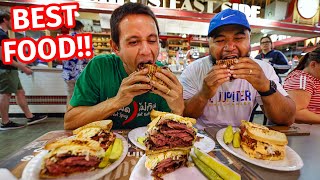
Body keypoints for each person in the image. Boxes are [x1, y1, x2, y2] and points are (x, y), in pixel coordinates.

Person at [64, 3, 184, 130]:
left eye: (152, 40)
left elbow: (172, 132)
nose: (146, 51)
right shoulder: (99, 68)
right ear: (116, 47)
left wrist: (179, 109)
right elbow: (70, 122)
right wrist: (117, 101)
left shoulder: (164, 77)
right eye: (133, 42)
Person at [180, 9, 295, 128]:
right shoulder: (193, 70)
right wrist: (203, 94)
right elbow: (182, 116)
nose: (230, 47)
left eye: (238, 38)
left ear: (249, 41)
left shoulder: (263, 69)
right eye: (220, 40)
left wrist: (265, 87)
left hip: (242, 139)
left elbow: (287, 119)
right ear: (209, 44)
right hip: (202, 140)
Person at [0, 10, 47, 130]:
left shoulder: (4, 35)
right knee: (5, 94)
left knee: (20, 92)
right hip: (6, 70)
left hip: (10, 70)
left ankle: (30, 116)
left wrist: (23, 65)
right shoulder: (1, 35)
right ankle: (5, 122)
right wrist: (23, 68)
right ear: (5, 20)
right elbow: (4, 58)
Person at [283, 47, 320, 123]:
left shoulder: (315, 78)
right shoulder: (302, 80)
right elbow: (296, 112)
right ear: (313, 64)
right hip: (306, 131)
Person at [62, 20, 89, 105]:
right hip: (80, 74)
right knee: (81, 97)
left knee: (70, 96)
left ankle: (69, 116)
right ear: (80, 28)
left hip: (68, 74)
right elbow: (89, 59)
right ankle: (78, 117)